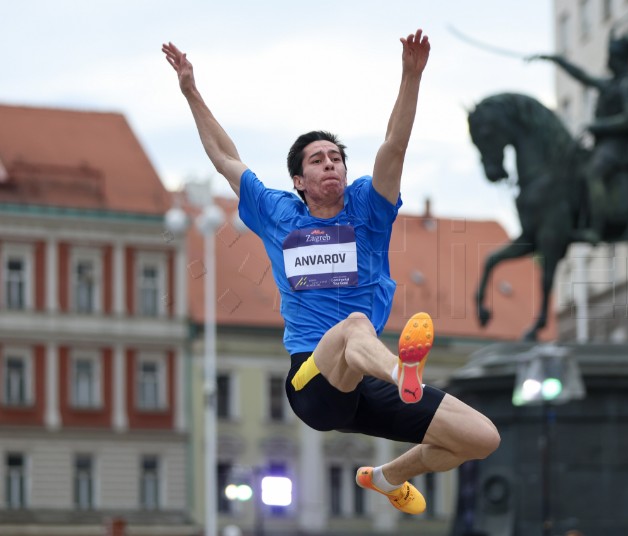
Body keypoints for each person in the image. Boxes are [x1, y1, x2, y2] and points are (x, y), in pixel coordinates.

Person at [162, 30, 500, 515]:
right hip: (312, 380)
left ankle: (386, 477)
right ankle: (404, 374)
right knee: (354, 326)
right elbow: (224, 157)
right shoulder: (278, 213)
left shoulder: (366, 208)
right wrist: (191, 90)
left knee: (481, 438)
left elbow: (394, 148)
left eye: (336, 158)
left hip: (366, 381)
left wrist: (411, 76)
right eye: (318, 160)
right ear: (299, 180)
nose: (331, 165)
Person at [527, 31, 628, 245]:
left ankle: (597, 227)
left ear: (618, 59)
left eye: (610, 57)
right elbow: (583, 76)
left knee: (594, 173)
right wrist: (556, 60)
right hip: (605, 145)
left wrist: (598, 126)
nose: (607, 61)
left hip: (622, 147)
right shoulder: (611, 84)